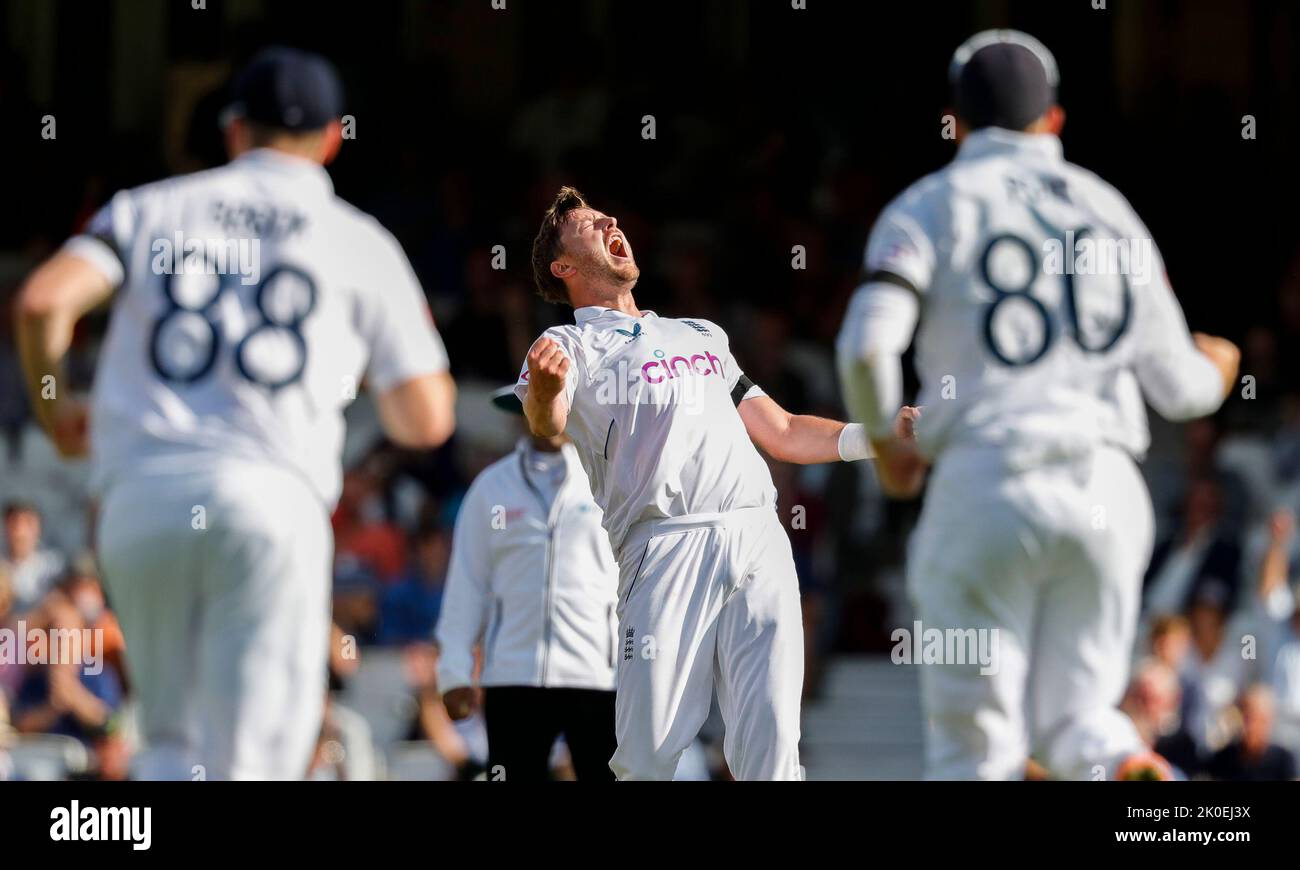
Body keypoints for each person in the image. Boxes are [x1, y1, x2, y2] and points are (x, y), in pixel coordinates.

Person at [13, 47, 455, 779]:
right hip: (269, 503)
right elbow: (426, 420)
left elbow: (40, 302)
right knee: (253, 763)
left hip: (141, 503)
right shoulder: (359, 240)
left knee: (169, 747)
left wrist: (57, 409)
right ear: (332, 139)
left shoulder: (148, 208)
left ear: (233, 131)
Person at [836, 29, 1240, 780]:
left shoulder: (927, 207)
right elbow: (1182, 390)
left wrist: (891, 447)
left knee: (975, 750)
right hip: (1107, 494)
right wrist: (1223, 369)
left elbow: (864, 348)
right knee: (1080, 725)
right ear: (1053, 121)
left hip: (985, 486)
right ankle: (1131, 766)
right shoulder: (1110, 210)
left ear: (952, 122)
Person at [515, 186, 915, 781]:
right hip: (665, 547)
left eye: (609, 216)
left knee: (774, 745)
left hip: (757, 531)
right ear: (564, 267)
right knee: (646, 756)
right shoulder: (565, 346)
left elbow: (779, 429)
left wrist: (874, 438)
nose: (610, 222)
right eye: (591, 224)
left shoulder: (701, 334)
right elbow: (546, 423)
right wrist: (546, 393)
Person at [436, 387, 621, 781]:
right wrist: (453, 670)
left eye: (557, 401)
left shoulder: (608, 482)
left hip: (598, 674)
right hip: (512, 674)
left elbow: (634, 576)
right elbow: (467, 582)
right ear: (520, 411)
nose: (548, 411)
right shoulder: (491, 488)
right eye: (538, 401)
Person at [1, 501, 66, 615]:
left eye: (28, 523)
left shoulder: (53, 565)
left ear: (38, 527)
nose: (20, 532)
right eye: (14, 523)